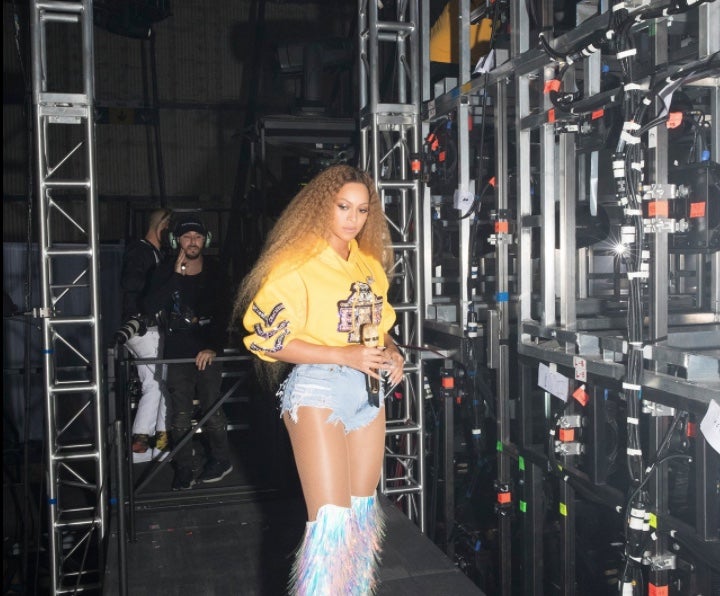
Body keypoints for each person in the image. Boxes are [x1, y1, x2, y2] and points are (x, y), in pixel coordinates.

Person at [234, 165, 405, 595]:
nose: (353, 218)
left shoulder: (368, 264)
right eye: (343, 206)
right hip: (318, 389)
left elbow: (379, 325)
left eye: (362, 210)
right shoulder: (296, 261)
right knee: (331, 527)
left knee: (361, 520)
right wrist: (343, 354)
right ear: (321, 205)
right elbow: (267, 339)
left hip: (368, 394)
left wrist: (393, 351)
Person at [143, 213, 233, 491]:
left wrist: (213, 347)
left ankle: (221, 460)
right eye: (187, 237)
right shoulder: (164, 270)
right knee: (180, 416)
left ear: (206, 240)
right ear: (176, 240)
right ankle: (184, 468)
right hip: (178, 351)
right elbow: (149, 307)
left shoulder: (216, 271)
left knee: (212, 408)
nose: (193, 242)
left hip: (208, 350)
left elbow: (225, 312)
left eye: (198, 237)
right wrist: (175, 275)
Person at [119, 207, 172, 463]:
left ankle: (147, 446)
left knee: (155, 386)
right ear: (162, 226)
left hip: (141, 328)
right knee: (160, 385)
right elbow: (131, 285)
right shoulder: (141, 252)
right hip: (143, 328)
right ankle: (149, 446)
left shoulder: (149, 252)